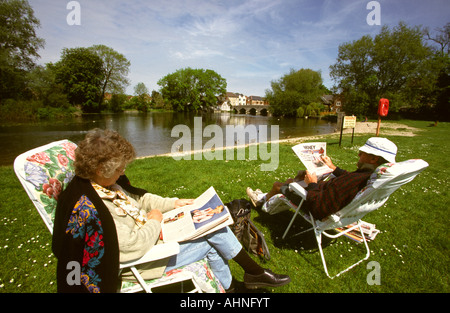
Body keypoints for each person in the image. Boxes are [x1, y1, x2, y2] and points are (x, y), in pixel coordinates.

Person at [52, 128, 290, 293]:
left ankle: (238, 283)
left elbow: (140, 199)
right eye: (119, 170)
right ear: (101, 169)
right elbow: (130, 247)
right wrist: (155, 222)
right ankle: (249, 276)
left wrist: (174, 203)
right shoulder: (94, 209)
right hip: (143, 261)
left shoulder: (103, 185)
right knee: (213, 236)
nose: (123, 174)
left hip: (153, 237)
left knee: (212, 227)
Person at [247, 137, 397, 221]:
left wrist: (312, 184)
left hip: (314, 204)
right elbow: (348, 179)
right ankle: (263, 198)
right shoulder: (369, 176)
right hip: (333, 202)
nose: (358, 155)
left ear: (372, 158)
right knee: (297, 178)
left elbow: (319, 208)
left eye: (362, 153)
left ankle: (261, 202)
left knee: (282, 184)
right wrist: (333, 168)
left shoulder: (358, 179)